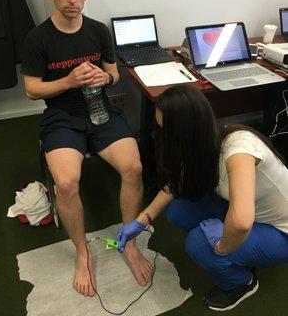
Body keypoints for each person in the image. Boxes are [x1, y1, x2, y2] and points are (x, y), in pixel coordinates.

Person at [21, 0, 152, 297]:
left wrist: (103, 78)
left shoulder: (98, 31)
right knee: (66, 183)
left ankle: (129, 240)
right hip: (62, 116)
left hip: (101, 111)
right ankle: (82, 253)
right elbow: (32, 89)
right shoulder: (38, 38)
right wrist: (67, 81)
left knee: (134, 167)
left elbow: (113, 73)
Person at [116, 85, 288, 311]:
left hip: (280, 231)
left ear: (185, 130)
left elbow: (242, 221)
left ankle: (242, 282)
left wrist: (221, 245)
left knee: (198, 243)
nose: (162, 137)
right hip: (252, 211)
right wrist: (142, 219)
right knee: (179, 210)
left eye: (165, 130)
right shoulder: (204, 140)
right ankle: (233, 252)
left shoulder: (239, 150)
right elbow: (175, 184)